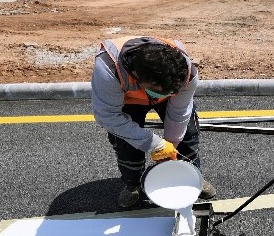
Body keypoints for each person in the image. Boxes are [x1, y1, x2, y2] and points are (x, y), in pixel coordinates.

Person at [92, 36, 216, 208]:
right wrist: (154, 144)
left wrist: (170, 146)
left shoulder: (185, 72)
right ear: (138, 78)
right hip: (127, 101)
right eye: (160, 92)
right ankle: (132, 185)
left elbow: (179, 112)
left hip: (166, 88)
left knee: (187, 136)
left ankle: (192, 177)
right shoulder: (109, 68)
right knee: (127, 145)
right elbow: (107, 116)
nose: (165, 95)